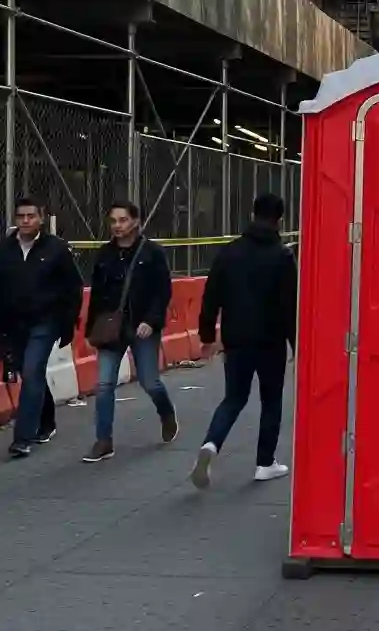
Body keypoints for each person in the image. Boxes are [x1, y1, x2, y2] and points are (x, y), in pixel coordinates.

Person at [190, 193, 297, 488]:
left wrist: (207, 336)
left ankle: (211, 443)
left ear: (252, 215)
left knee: (234, 398)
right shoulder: (283, 256)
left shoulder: (229, 252)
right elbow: (290, 305)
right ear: (280, 220)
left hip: (236, 339)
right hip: (271, 340)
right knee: (271, 400)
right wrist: (296, 344)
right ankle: (265, 462)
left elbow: (211, 297)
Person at [82, 201, 178, 462]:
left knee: (149, 381)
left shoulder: (152, 253)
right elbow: (97, 295)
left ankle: (166, 413)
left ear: (136, 221)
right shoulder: (105, 254)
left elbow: (163, 291)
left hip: (142, 327)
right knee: (104, 385)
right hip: (111, 327)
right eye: (113, 221)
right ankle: (104, 441)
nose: (117, 226)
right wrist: (91, 331)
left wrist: (151, 321)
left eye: (123, 220)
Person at [0, 197, 82, 457]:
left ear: (41, 218)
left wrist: (67, 322)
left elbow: (73, 287)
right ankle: (47, 422)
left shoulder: (56, 248)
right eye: (21, 216)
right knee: (30, 373)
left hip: (46, 322)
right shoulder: (5, 248)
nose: (25, 221)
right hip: (14, 324)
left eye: (31, 216)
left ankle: (23, 438)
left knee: (32, 369)